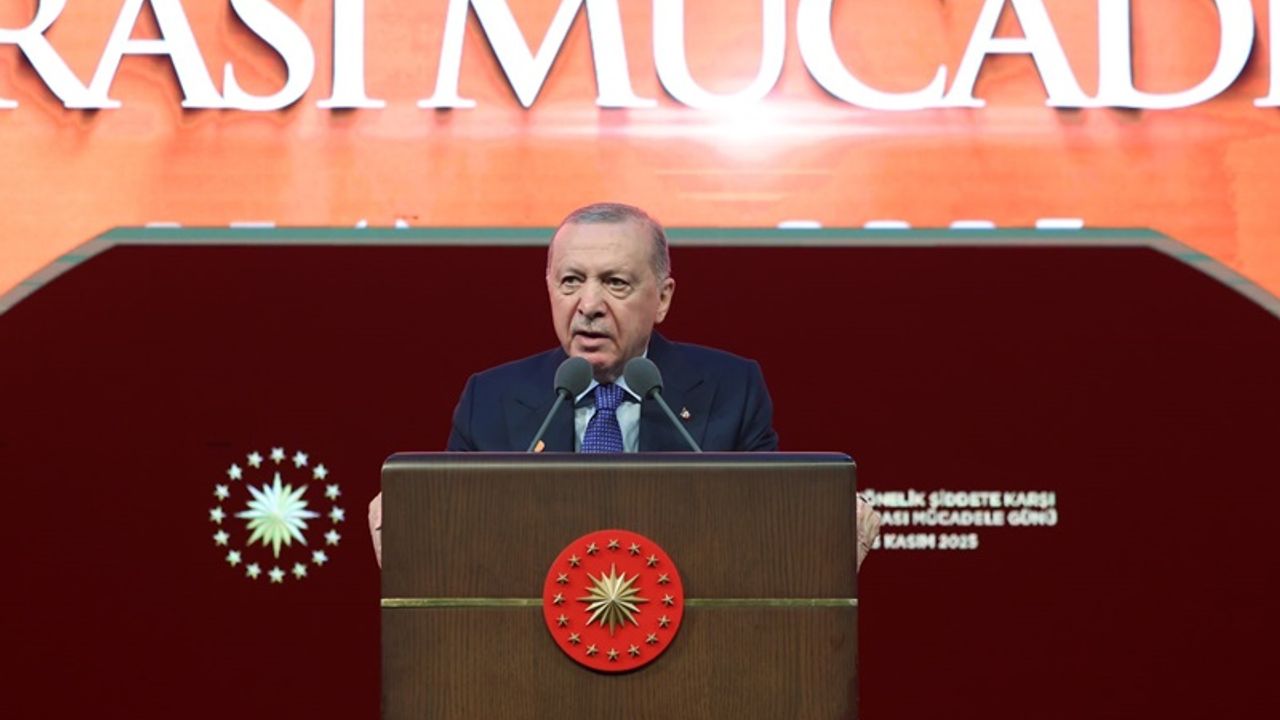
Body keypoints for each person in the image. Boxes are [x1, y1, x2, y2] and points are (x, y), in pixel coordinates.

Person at [369, 203, 878, 565]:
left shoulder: (730, 389)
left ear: (663, 298)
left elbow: (764, 539)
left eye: (615, 283)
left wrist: (823, 548)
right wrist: (416, 538)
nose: (588, 305)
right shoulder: (492, 398)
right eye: (571, 281)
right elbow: (459, 547)